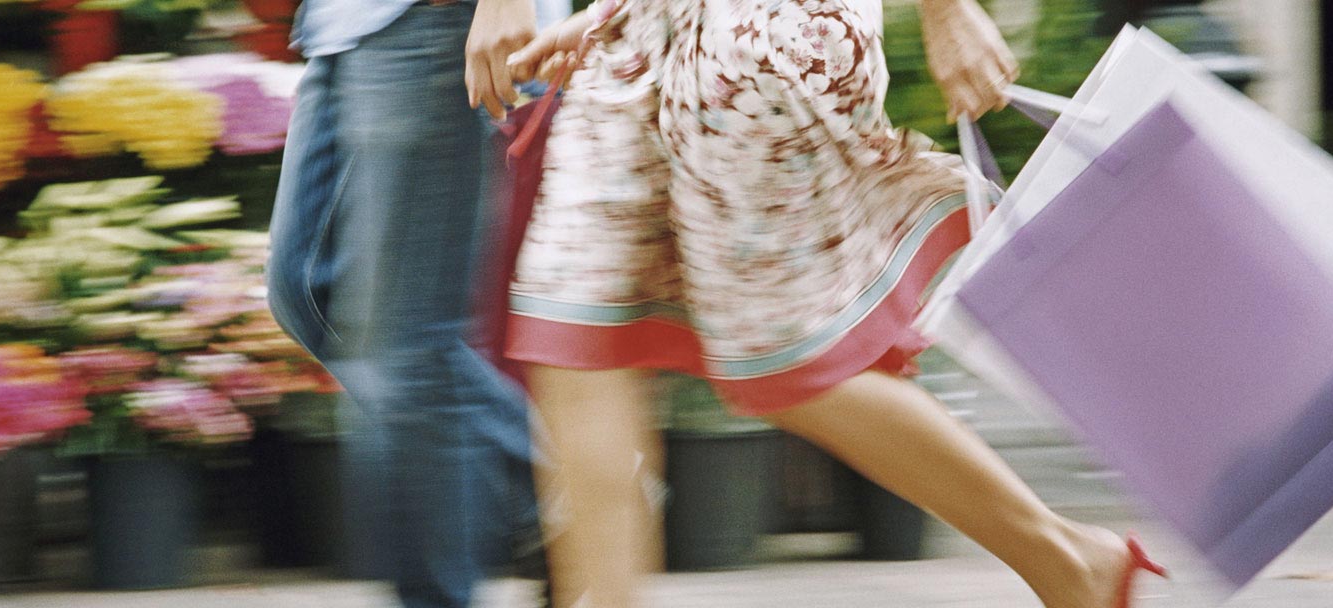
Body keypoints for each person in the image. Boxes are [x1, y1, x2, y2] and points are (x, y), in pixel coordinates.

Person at [491, 0, 1168, 606]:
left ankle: (1067, 559)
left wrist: (946, 9)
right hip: (650, 31)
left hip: (765, 38)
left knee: (781, 361)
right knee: (573, 318)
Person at [265, 0, 564, 605]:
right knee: (304, 292)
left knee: (406, 353)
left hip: (435, 19)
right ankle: (575, 492)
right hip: (347, 24)